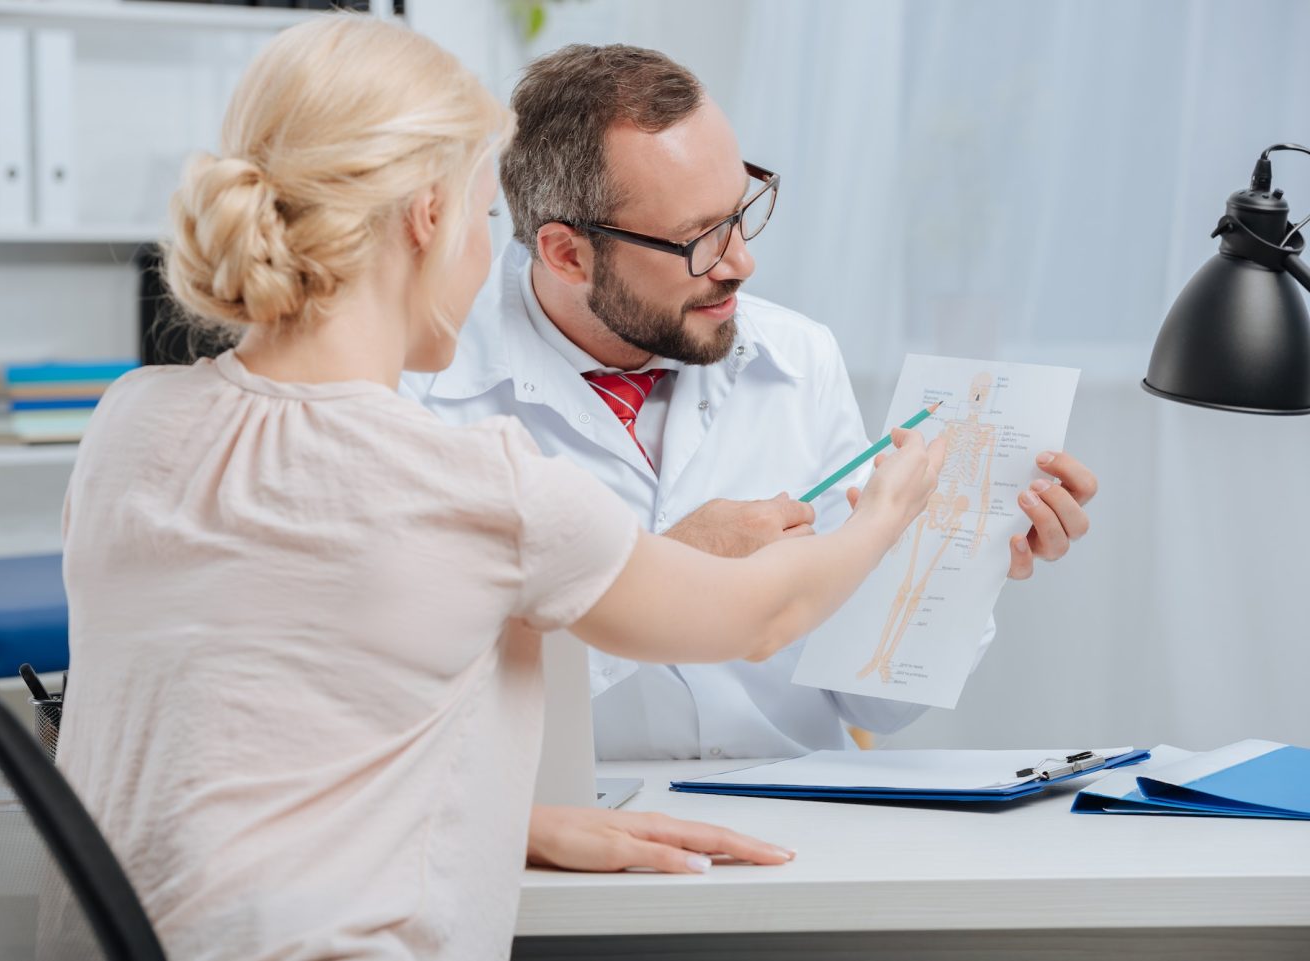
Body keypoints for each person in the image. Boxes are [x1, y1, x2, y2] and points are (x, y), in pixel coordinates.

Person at [55, 16, 944, 961]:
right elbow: (760, 616)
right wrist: (891, 509)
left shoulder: (127, 422)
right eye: (487, 219)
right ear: (428, 219)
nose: (493, 261)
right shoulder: (466, 479)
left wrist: (519, 822)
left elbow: (272, 743)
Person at [405, 44, 1098, 762]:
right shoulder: (424, 396)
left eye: (740, 212)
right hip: (580, 837)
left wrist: (957, 556)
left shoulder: (798, 359)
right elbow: (434, 701)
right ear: (566, 254)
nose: (740, 262)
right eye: (696, 239)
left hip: (798, 822)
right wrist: (667, 567)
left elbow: (873, 702)